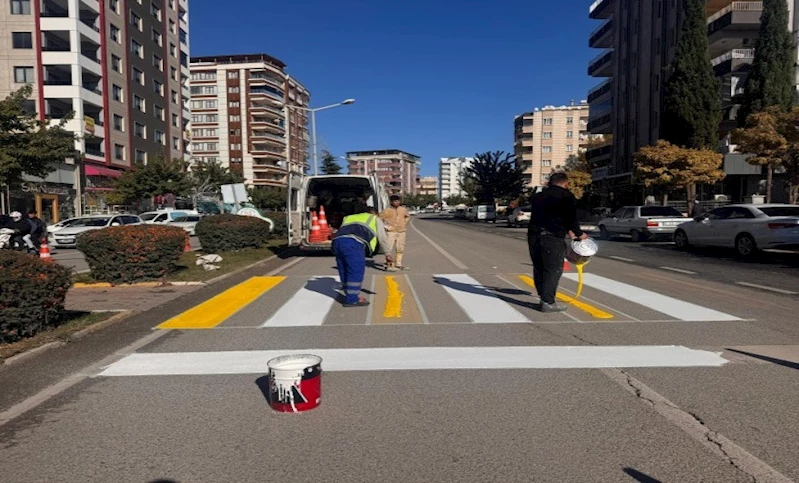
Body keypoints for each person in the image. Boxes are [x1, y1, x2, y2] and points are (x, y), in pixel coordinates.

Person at [527, 172, 588, 313]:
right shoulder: (566, 196)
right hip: (552, 237)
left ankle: (543, 295)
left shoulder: (538, 196)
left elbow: (549, 215)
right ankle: (548, 302)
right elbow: (570, 218)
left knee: (539, 266)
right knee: (553, 269)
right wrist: (578, 233)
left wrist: (568, 229)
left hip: (534, 235)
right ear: (565, 183)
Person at [331, 206, 393, 307]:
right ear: (373, 213)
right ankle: (352, 300)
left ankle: (350, 295)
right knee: (355, 270)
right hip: (353, 243)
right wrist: (388, 253)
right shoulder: (374, 218)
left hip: (337, 242)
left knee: (344, 269)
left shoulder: (349, 217)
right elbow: (382, 237)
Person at [379, 195, 411, 271]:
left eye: (398, 201)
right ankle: (388, 264)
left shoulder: (403, 209)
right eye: (395, 201)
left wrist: (404, 223)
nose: (397, 202)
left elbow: (408, 216)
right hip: (391, 232)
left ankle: (398, 264)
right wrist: (386, 226)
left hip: (401, 231)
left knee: (400, 248)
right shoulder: (387, 210)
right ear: (391, 202)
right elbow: (379, 219)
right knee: (389, 247)